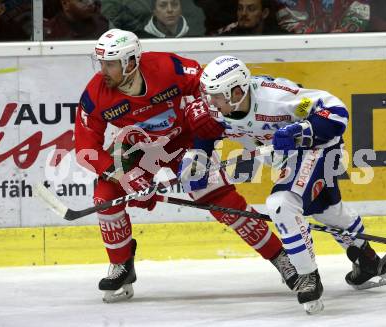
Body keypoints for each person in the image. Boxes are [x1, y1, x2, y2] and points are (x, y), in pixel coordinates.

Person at [74, 29, 291, 303]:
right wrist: (124, 176)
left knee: (220, 199)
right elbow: (86, 148)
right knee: (105, 197)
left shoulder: (167, 67)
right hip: (136, 148)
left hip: (183, 138)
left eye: (111, 63)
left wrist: (201, 116)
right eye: (101, 62)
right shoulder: (95, 94)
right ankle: (121, 264)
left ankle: (281, 257)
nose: (103, 70)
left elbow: (207, 86)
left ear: (130, 62)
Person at [183, 55, 386, 314]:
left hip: (319, 149)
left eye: (216, 96)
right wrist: (198, 161)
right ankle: (368, 261)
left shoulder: (275, 99)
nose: (210, 103)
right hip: (287, 160)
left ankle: (308, 276)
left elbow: (337, 112)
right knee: (325, 211)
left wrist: (301, 131)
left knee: (282, 204)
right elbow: (204, 134)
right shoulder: (215, 111)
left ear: (237, 91)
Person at [275, 0, 371, 33]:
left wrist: (342, 35)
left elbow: (358, 17)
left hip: (347, 50)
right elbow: (291, 22)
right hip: (302, 51)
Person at [44, 0, 109, 40]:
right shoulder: (51, 32)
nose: (90, 3)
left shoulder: (102, 24)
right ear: (65, 3)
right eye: (82, 0)